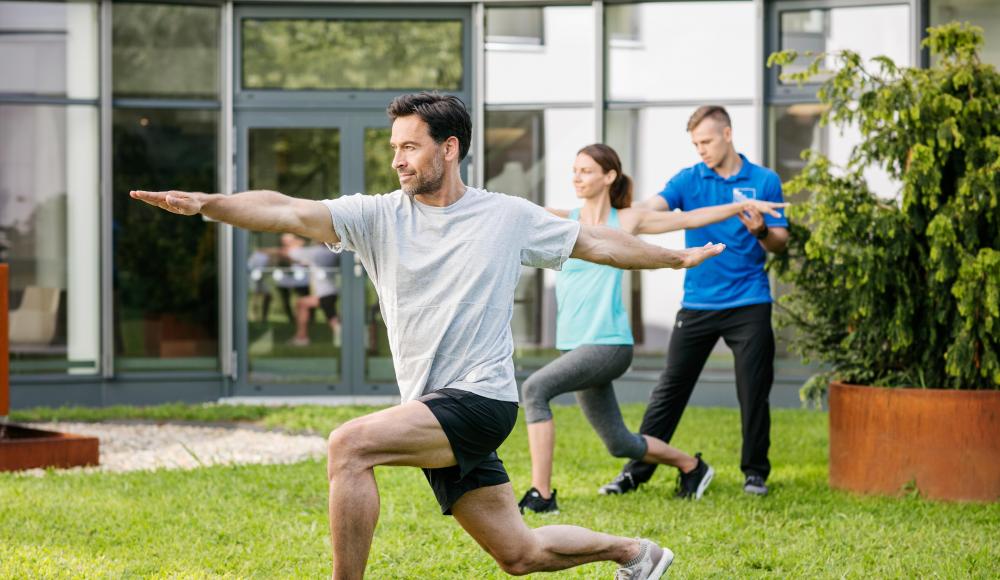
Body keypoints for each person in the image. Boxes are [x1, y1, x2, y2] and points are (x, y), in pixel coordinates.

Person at [130, 92, 726, 580]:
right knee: (519, 554)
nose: (399, 160)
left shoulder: (505, 216)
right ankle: (636, 553)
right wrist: (210, 204)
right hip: (431, 404)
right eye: (395, 149)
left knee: (348, 446)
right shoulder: (376, 216)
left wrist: (670, 259)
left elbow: (597, 242)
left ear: (449, 147)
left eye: (410, 147)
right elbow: (286, 209)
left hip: (481, 399)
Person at [518, 144, 787, 514]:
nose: (576, 177)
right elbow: (515, 212)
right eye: (574, 170)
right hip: (575, 346)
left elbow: (689, 219)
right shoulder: (566, 220)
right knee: (619, 443)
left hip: (608, 344)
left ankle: (542, 495)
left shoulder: (626, 220)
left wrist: (739, 207)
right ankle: (692, 466)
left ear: (608, 177)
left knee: (535, 389)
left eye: (585, 170)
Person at [598, 105, 789, 499]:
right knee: (670, 389)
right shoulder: (689, 178)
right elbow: (653, 207)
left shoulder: (764, 179)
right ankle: (636, 471)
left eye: (706, 141)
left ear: (727, 134)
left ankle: (755, 473)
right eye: (695, 143)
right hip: (698, 303)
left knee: (754, 390)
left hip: (749, 301)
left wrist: (761, 231)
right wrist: (618, 212)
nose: (700, 149)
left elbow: (780, 244)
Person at [287, 242, 342, 347]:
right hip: (329, 292)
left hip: (326, 293)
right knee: (332, 317)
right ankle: (302, 337)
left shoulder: (318, 253)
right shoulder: (331, 253)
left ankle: (302, 337)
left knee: (302, 304)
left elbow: (290, 253)